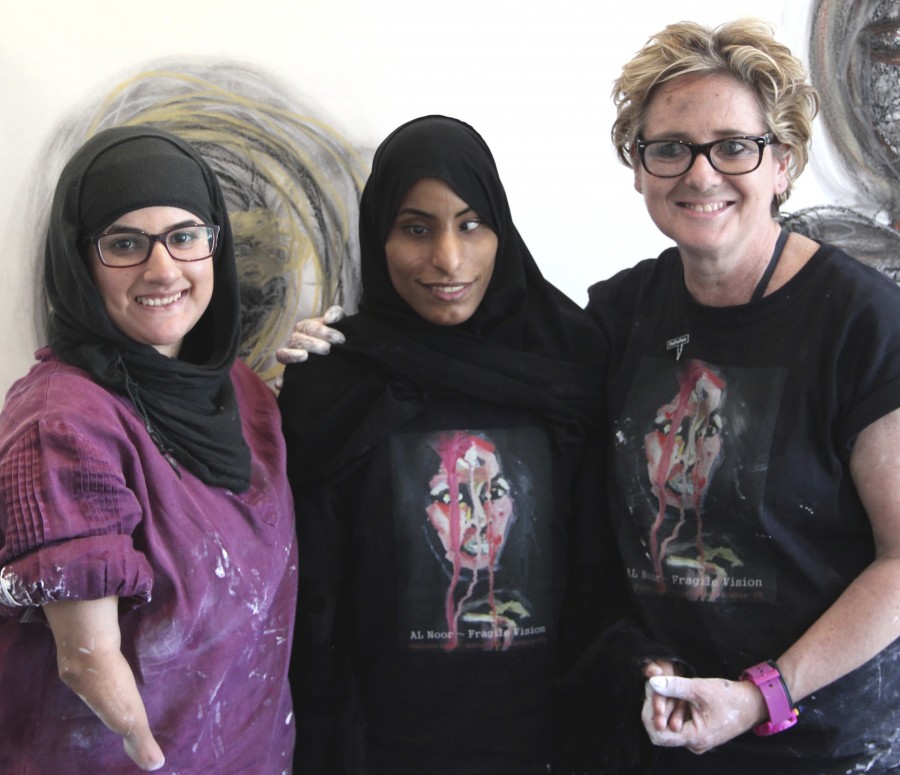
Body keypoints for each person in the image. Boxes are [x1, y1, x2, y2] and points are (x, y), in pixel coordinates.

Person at [586, 18, 900, 774]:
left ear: (783, 163)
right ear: (638, 167)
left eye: (734, 146)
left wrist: (764, 694)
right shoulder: (619, 314)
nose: (700, 175)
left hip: (824, 746)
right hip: (666, 730)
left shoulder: (862, 321)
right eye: (670, 148)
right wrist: (334, 345)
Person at [277, 115, 613, 773]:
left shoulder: (570, 362)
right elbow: (312, 601)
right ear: (379, 236)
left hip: (550, 743)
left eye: (470, 224)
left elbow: (602, 571)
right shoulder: (337, 382)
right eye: (416, 229)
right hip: (381, 749)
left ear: (501, 230)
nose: (448, 259)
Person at [0, 126, 296, 773]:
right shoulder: (61, 426)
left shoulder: (241, 392)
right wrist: (150, 752)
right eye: (125, 244)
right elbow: (87, 660)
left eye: (185, 237)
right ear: (80, 260)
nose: (162, 269)